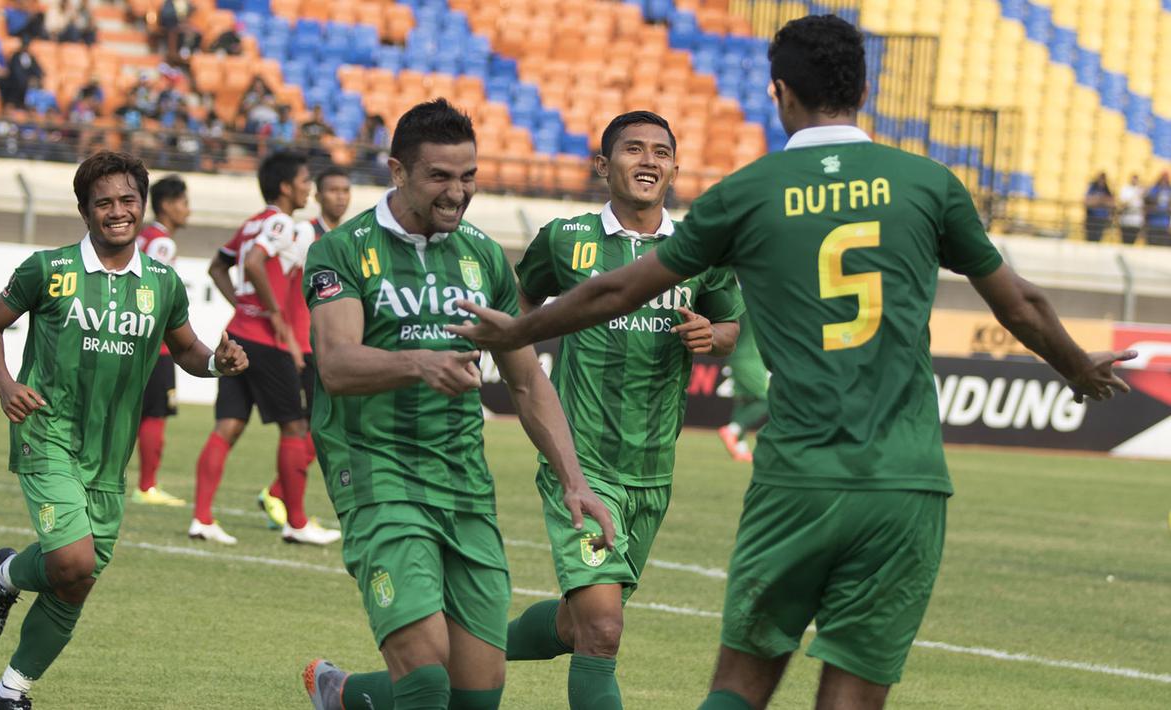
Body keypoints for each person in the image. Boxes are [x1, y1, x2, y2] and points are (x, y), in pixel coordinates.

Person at [446, 16, 1137, 710]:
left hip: (797, 477)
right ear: (864, 88)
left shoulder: (748, 193)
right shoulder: (927, 183)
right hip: (906, 482)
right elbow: (1020, 304)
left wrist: (519, 331)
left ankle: (452, 658)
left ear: (777, 92)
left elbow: (619, 289)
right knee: (846, 695)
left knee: (739, 684)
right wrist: (1076, 368)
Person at [299, 98, 616, 710]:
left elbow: (526, 382)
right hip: (378, 476)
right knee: (424, 679)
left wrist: (574, 480)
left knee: (476, 696)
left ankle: (341, 698)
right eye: (440, 177)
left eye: (467, 176)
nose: (457, 192)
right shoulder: (341, 250)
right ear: (398, 172)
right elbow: (336, 365)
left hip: (464, 484)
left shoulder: (484, 255)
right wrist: (419, 362)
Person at [0, 151, 248, 710]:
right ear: (85, 210)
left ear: (142, 206)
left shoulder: (165, 283)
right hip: (46, 432)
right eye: (104, 202)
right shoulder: (47, 269)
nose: (118, 211)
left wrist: (218, 361)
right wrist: (4, 384)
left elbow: (188, 350)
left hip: (108, 454)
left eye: (127, 200)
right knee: (71, 560)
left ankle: (11, 690)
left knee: (78, 580)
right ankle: (6, 576)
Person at [503, 111, 742, 709]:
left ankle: (453, 657)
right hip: (582, 465)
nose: (648, 161)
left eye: (660, 152)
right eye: (633, 150)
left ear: (675, 169)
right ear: (603, 165)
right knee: (604, 631)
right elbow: (516, 306)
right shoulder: (565, 239)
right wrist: (525, 368)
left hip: (654, 470)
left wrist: (712, 335)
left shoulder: (699, 250)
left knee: (576, 625)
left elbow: (733, 326)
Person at [191, 150, 339, 546]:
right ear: (288, 186)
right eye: (306, 181)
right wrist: (273, 315)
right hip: (265, 342)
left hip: (237, 335)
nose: (310, 188)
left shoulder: (253, 221)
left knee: (228, 426)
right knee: (295, 426)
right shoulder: (279, 222)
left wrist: (244, 308)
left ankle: (202, 518)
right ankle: (297, 522)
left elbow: (217, 267)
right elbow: (256, 263)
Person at [257, 165, 353, 529]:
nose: (340, 196)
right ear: (318, 196)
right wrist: (291, 340)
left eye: (346, 190)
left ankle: (280, 493)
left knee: (327, 429)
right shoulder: (303, 235)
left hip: (332, 346)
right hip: (305, 345)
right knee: (313, 428)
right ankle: (282, 498)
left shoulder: (349, 237)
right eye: (333, 190)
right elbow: (281, 286)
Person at [133, 175, 191, 507]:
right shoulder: (163, 243)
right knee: (155, 414)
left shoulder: (141, 236)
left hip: (133, 337)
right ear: (167, 205)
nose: (188, 211)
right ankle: (148, 486)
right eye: (184, 203)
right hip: (156, 343)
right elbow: (155, 291)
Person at [717, 316, 768, 463]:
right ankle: (732, 430)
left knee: (744, 401)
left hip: (736, 356)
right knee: (766, 400)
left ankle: (740, 449)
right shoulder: (754, 300)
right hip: (750, 358)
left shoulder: (739, 301)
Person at [1084, 172, 1114, 243]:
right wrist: (1102, 200)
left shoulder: (1107, 190)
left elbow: (1111, 203)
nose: (1102, 181)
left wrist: (1098, 200)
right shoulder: (1092, 187)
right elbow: (1087, 201)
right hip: (1092, 217)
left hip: (1102, 218)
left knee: (1098, 240)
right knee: (1090, 239)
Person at [1145, 172, 1171, 247]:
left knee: (1162, 245)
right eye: (1163, 177)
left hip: (1164, 223)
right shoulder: (1154, 189)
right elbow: (1148, 199)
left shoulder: (1169, 190)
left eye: (1166, 178)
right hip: (1153, 222)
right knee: (1152, 244)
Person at [1117, 174, 1144, 245]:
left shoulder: (1140, 190)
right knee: (1125, 241)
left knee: (1133, 241)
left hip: (1136, 221)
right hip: (1126, 220)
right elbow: (1122, 203)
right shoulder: (1125, 189)